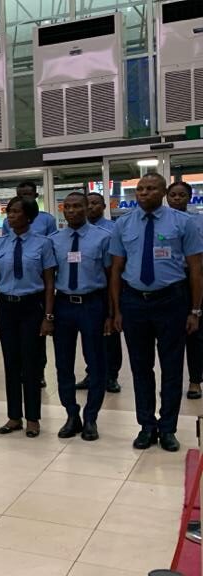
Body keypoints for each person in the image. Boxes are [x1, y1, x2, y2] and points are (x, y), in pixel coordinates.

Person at [111, 174, 203, 452]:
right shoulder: (123, 223)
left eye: (150, 188)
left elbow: (196, 269)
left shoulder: (183, 222)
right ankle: (146, 426)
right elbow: (116, 269)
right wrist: (117, 310)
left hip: (171, 301)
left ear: (163, 192)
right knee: (140, 367)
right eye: (140, 189)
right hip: (135, 301)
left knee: (172, 368)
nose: (143, 193)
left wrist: (195, 310)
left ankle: (168, 429)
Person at [0, 196, 58, 438]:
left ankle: (33, 419)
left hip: (32, 306)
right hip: (7, 306)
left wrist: (48, 315)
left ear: (29, 216)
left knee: (31, 365)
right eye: (9, 212)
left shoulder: (43, 243)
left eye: (16, 212)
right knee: (11, 364)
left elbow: (49, 282)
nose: (10, 216)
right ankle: (14, 416)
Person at [48, 192, 111, 442]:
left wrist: (110, 313)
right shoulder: (54, 241)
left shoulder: (103, 238)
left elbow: (110, 277)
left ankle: (91, 417)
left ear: (87, 208)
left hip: (92, 304)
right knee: (63, 363)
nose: (72, 211)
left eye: (77, 206)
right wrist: (49, 313)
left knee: (96, 363)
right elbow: (49, 278)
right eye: (67, 207)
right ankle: (71, 414)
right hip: (64, 305)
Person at [76, 192, 122, 394]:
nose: (92, 207)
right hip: (85, 285)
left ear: (104, 206)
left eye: (96, 203)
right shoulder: (77, 231)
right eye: (89, 203)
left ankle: (112, 375)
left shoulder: (113, 229)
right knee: (89, 337)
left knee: (109, 334)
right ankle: (91, 372)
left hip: (106, 287)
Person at [164, 181, 203, 400]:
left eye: (181, 195)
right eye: (173, 195)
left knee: (195, 333)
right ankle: (171, 382)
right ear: (167, 197)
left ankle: (195, 380)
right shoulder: (163, 222)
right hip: (171, 280)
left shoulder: (197, 221)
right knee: (171, 335)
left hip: (194, 277)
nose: (177, 198)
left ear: (189, 197)